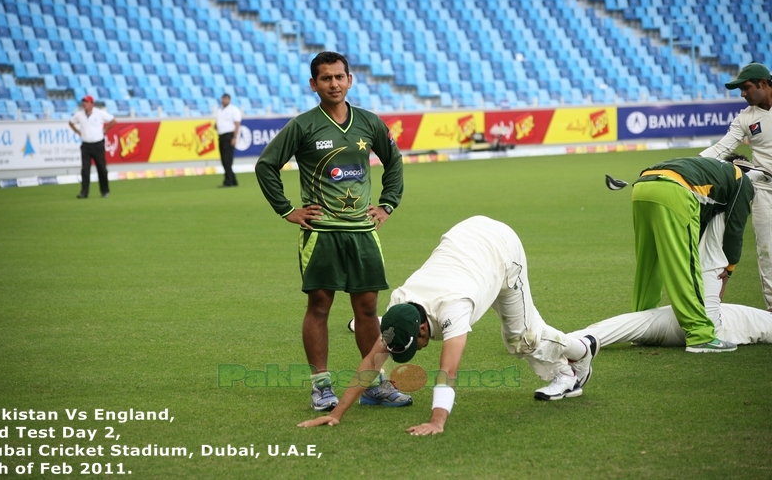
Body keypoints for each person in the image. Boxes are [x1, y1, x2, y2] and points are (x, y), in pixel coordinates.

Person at [298, 216, 599, 435]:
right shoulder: (400, 305)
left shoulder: (453, 309)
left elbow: (449, 371)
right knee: (521, 338)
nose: (411, 353)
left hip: (500, 249)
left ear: (424, 330)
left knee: (521, 340)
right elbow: (370, 361)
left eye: (413, 346)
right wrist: (337, 414)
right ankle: (565, 370)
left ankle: (582, 349)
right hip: (465, 242)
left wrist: (437, 420)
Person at [255, 51, 407, 411]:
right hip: (321, 233)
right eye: (326, 78)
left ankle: (374, 384)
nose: (334, 84)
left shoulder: (369, 123)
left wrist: (387, 204)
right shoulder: (303, 125)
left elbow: (394, 161)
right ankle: (321, 386)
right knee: (320, 306)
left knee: (368, 308)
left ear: (350, 80)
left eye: (339, 77)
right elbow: (266, 165)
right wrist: (288, 210)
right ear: (314, 84)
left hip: (362, 232)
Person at [632, 156, 754, 353]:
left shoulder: (711, 169)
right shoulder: (742, 180)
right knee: (686, 267)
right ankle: (700, 335)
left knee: (648, 265)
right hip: (674, 191)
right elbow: (735, 228)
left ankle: (640, 328)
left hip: (643, 186)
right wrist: (729, 268)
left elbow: (702, 217)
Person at [701, 62, 772, 310]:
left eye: (746, 88)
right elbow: (721, 149)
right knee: (767, 253)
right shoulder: (746, 118)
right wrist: (691, 164)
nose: (743, 94)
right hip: (765, 190)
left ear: (763, 84)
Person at [68, 95, 116, 199]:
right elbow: (71, 122)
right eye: (84, 102)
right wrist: (77, 132)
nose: (84, 104)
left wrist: (105, 130)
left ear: (92, 104)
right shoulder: (79, 115)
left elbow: (113, 120)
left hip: (98, 144)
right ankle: (84, 192)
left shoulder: (99, 113)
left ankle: (105, 191)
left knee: (101, 168)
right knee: (85, 169)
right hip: (85, 145)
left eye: (86, 102)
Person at [215, 94, 242, 188]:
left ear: (229, 99)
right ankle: (233, 180)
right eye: (222, 99)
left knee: (227, 160)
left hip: (229, 136)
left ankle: (228, 181)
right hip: (221, 135)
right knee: (224, 159)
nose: (223, 100)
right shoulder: (220, 110)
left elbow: (237, 124)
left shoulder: (233, 110)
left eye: (225, 99)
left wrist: (234, 137)